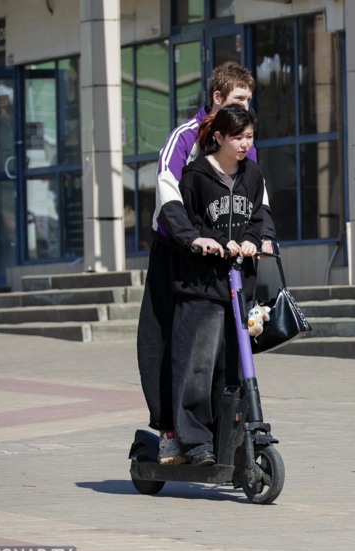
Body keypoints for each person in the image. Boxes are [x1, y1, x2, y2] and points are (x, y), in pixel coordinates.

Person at [137, 61, 274, 465]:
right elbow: (167, 192)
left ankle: (221, 433)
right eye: (239, 99)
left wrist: (260, 239)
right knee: (169, 344)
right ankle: (170, 433)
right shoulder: (184, 139)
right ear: (217, 98)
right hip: (176, 252)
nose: (246, 107)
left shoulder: (244, 145)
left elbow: (257, 200)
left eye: (249, 100)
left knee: (226, 351)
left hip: (224, 260)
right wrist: (192, 238)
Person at [167, 105, 276, 466]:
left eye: (250, 137)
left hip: (239, 284)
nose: (245, 144)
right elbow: (189, 224)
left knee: (233, 368)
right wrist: (213, 241)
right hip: (202, 285)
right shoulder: (195, 176)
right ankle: (195, 441)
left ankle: (229, 440)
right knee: (198, 365)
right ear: (219, 138)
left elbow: (257, 218)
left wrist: (251, 241)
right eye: (238, 137)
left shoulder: (253, 174)